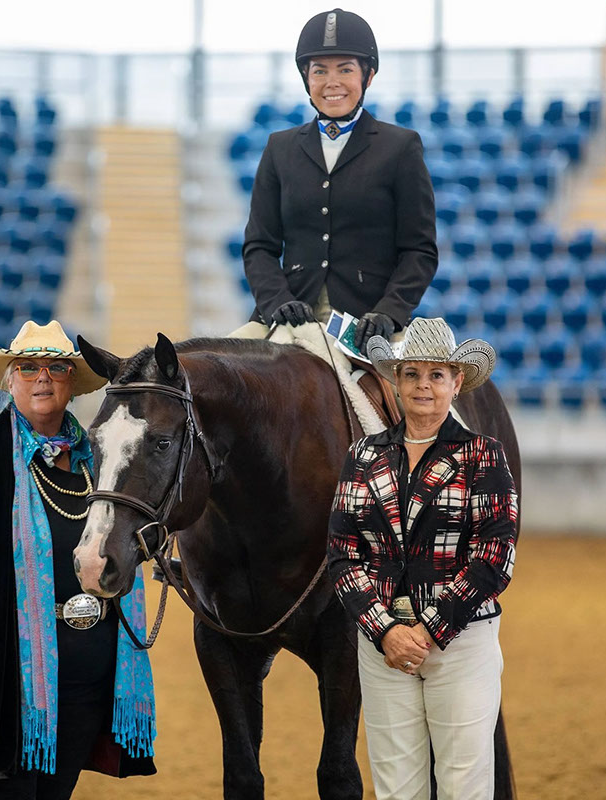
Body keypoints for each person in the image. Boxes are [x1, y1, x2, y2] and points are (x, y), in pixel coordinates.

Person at [0, 320, 156, 799]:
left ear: (71, 383)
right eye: (28, 368)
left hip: (86, 683)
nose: (43, 377)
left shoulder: (100, 463)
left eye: (56, 368)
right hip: (3, 681)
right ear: (10, 381)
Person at [327, 318, 518, 800]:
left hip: (460, 642)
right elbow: (342, 554)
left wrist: (429, 629)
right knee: (396, 790)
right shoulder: (362, 455)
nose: (423, 386)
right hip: (384, 648)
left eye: (436, 375)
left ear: (457, 382)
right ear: (395, 379)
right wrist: (386, 631)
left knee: (463, 787)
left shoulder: (483, 455)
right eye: (411, 373)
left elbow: (495, 556)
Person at [239, 8, 438, 350]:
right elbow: (259, 246)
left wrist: (389, 312)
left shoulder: (400, 147)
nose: (332, 82)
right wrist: (278, 303)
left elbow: (419, 250)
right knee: (211, 369)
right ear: (307, 78)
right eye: (320, 71)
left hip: (368, 325)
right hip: (289, 320)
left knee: (418, 384)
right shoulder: (279, 148)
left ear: (368, 76)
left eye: (345, 69)